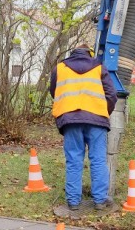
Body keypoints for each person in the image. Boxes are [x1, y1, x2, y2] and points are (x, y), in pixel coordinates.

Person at [50, 44, 117, 211]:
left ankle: (73, 202)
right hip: (97, 120)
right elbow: (112, 95)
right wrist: (103, 111)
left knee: (73, 160)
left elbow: (55, 91)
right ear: (90, 54)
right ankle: (100, 200)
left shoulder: (60, 68)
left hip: (70, 120)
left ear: (72, 54)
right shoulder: (99, 67)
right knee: (98, 159)